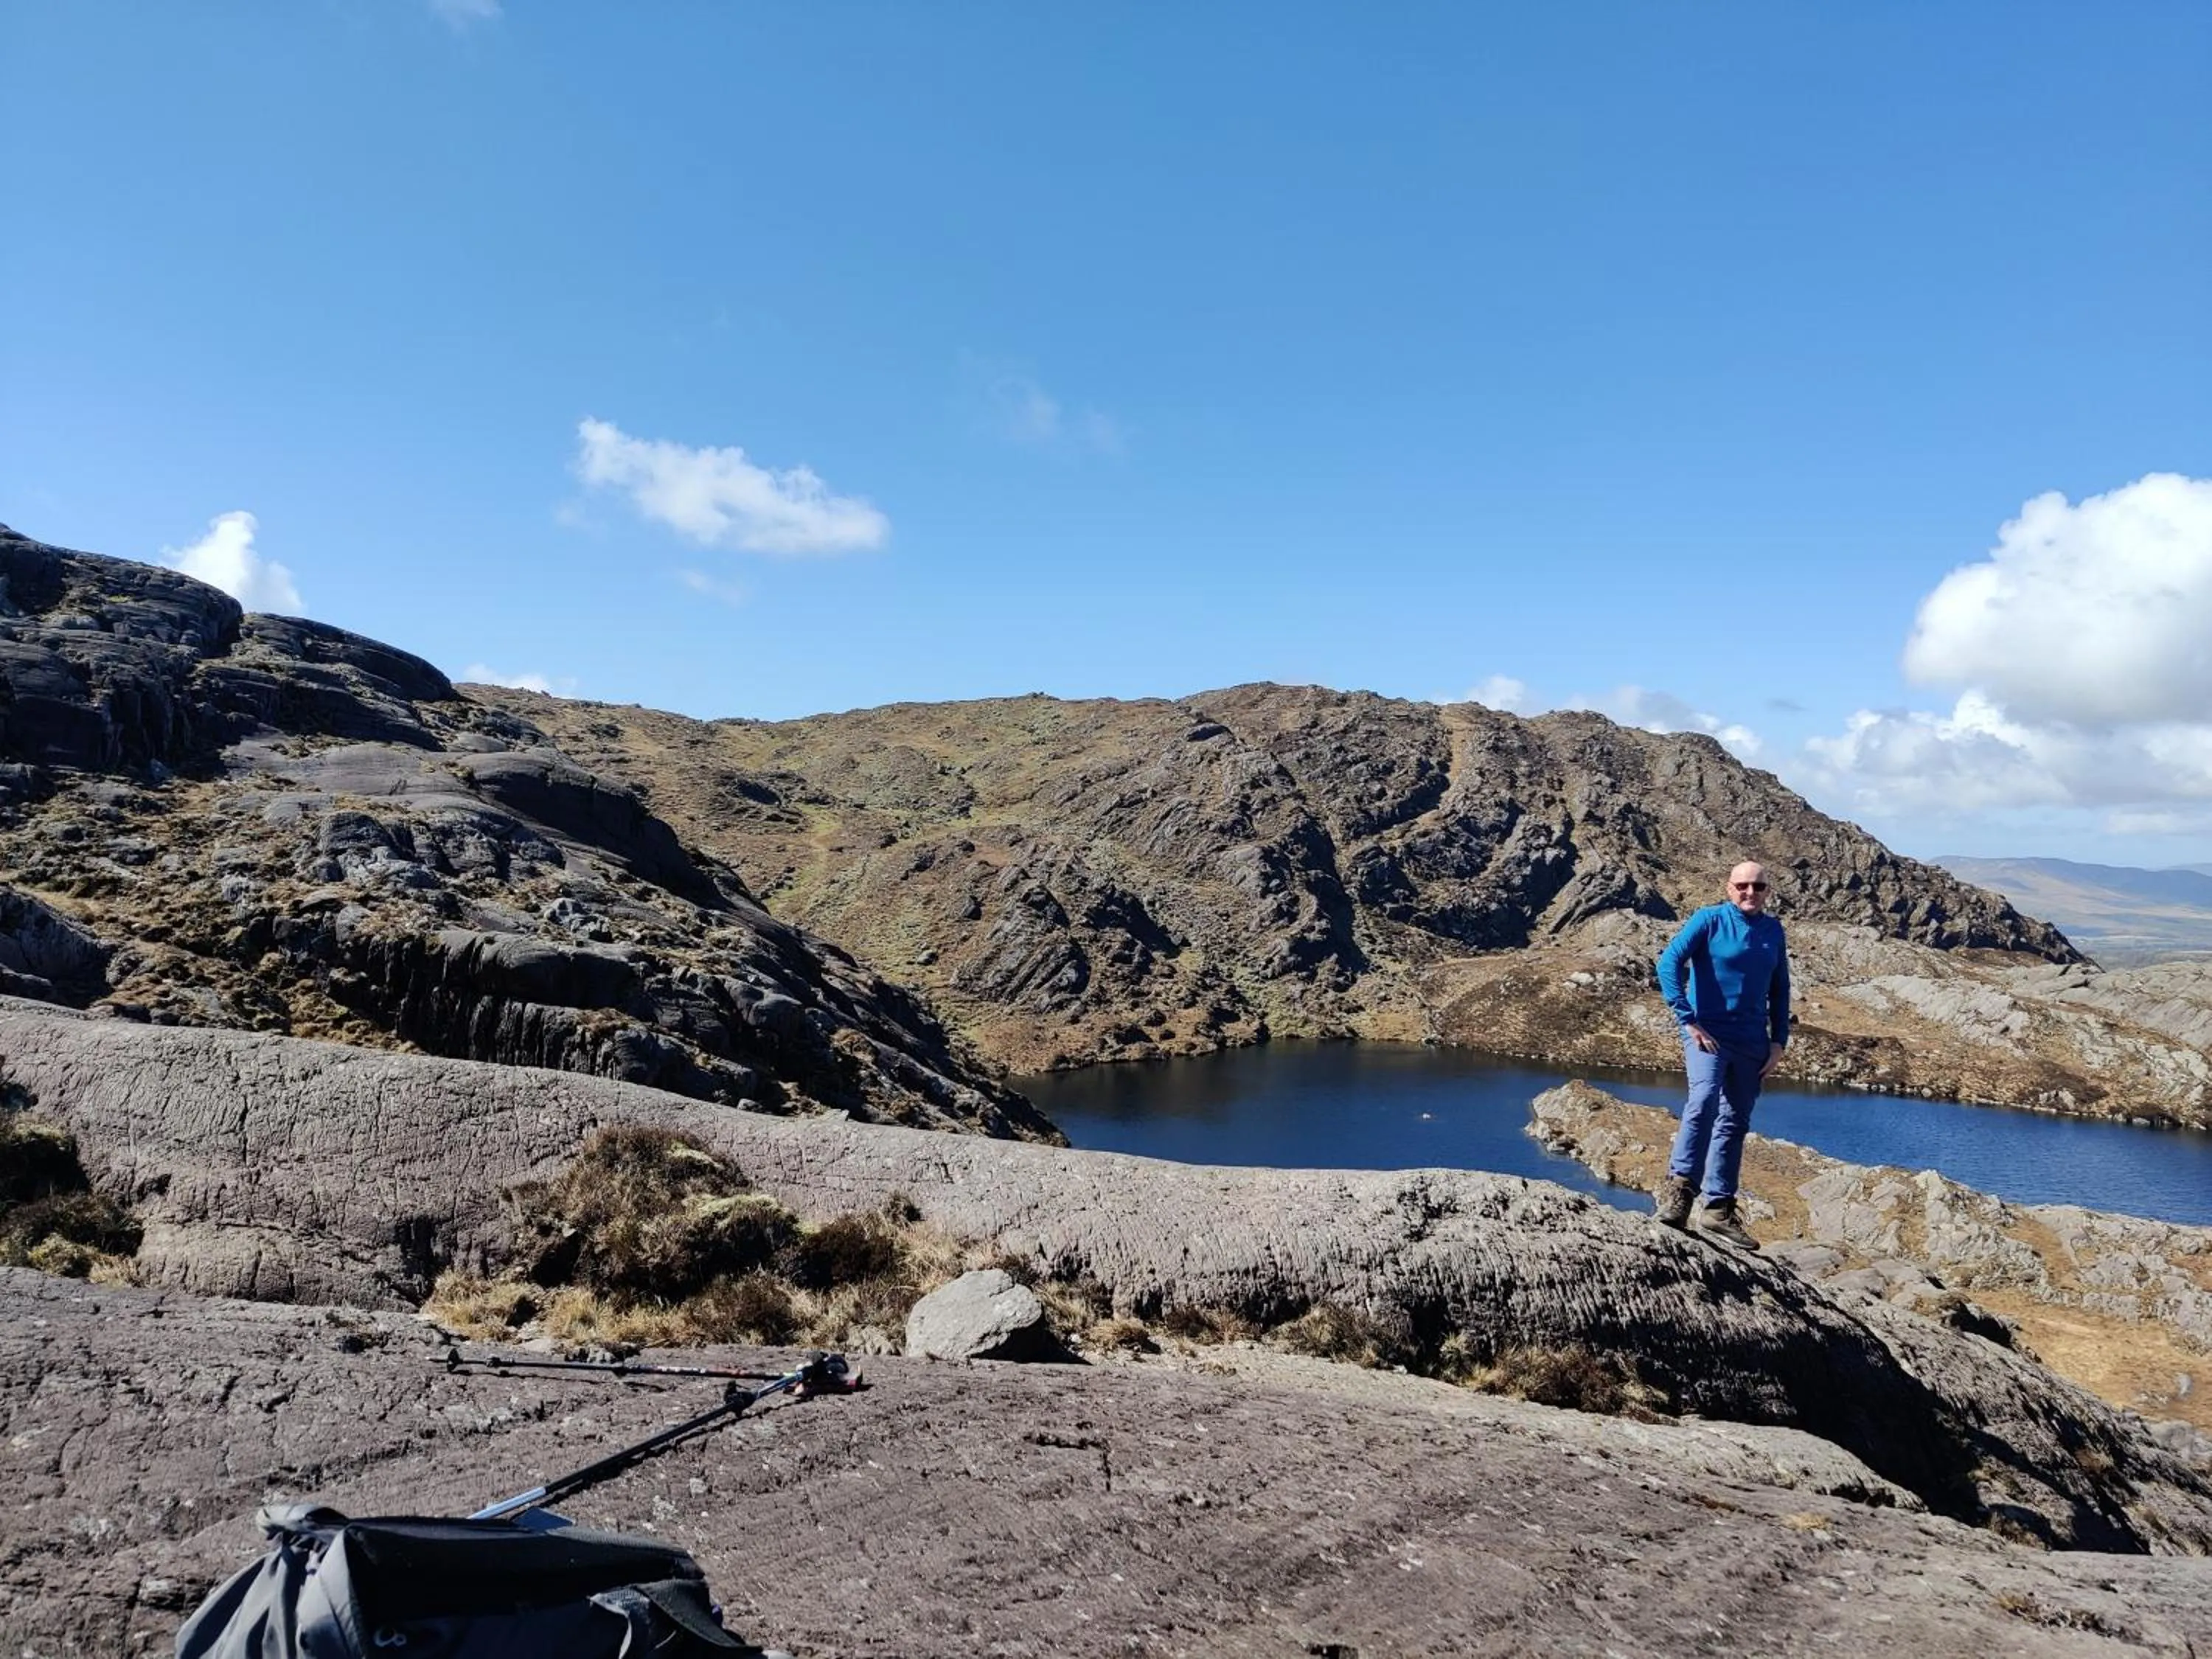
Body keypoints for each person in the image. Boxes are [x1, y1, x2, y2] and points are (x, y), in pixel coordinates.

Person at [1651, 860, 1790, 1248]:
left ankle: (1718, 1210)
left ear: (1768, 891)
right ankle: (1680, 1192)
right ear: (1729, 888)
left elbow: (1780, 989)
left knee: (1734, 1121)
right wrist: (1687, 1018)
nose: (1750, 892)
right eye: (1742, 886)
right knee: (1703, 1101)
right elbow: (1668, 963)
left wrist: (1778, 1042)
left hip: (1752, 1042)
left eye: (1758, 886)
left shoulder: (1773, 931)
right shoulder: (1708, 920)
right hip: (1708, 1035)